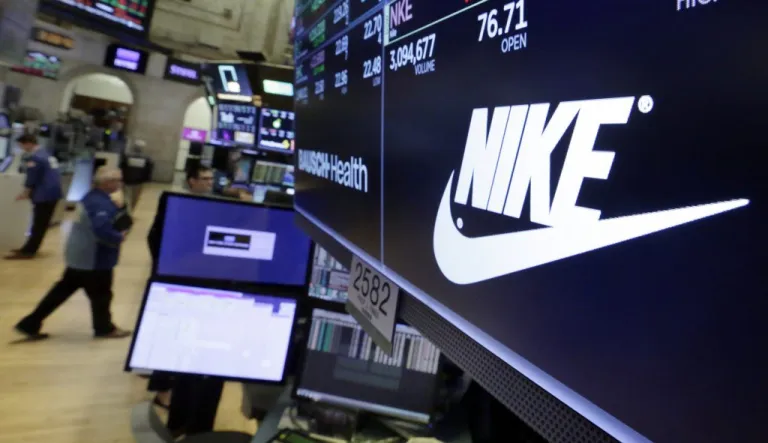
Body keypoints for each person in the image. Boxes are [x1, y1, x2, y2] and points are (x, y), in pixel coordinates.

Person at [14, 167, 132, 340]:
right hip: (93, 258)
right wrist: (118, 237)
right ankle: (104, 328)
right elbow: (101, 230)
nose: (120, 183)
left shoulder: (91, 197)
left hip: (79, 255)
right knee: (101, 295)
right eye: (118, 180)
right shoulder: (99, 204)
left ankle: (30, 323)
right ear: (107, 183)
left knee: (62, 290)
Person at [145, 165, 215, 409]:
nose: (209, 183)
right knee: (171, 332)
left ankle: (164, 381)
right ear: (191, 181)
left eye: (211, 179)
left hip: (191, 276)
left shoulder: (206, 206)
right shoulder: (177, 204)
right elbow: (154, 237)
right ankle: (161, 389)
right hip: (174, 276)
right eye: (204, 179)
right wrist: (165, 266)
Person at [5, 134, 63, 260]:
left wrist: (25, 192)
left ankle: (28, 251)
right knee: (41, 224)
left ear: (28, 143)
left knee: (38, 224)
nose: (22, 148)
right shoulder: (47, 154)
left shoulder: (35, 158)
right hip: (53, 193)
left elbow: (32, 178)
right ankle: (30, 248)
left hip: (43, 195)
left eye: (21, 145)